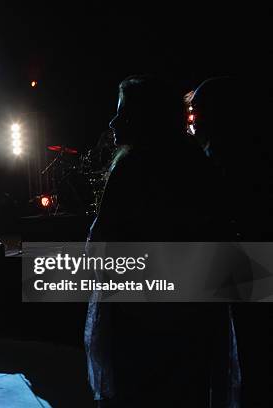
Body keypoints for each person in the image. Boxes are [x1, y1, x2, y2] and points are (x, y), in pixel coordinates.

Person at [85, 75, 239, 407]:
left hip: (142, 326)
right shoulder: (196, 163)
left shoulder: (131, 168)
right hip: (191, 324)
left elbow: (103, 249)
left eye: (122, 112)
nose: (113, 121)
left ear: (143, 118)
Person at [190, 76, 273, 407]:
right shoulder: (241, 154)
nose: (194, 120)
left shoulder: (219, 160)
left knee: (242, 353)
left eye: (199, 111)